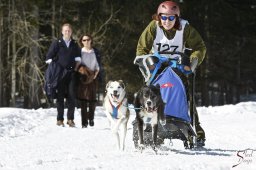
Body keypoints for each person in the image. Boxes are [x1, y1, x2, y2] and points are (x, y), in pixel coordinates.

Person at [136, 1, 206, 146]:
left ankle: (196, 129)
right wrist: (146, 64)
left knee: (187, 94)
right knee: (150, 94)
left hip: (177, 65)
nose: (167, 21)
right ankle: (146, 126)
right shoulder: (153, 27)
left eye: (171, 18)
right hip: (157, 66)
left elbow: (200, 47)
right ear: (159, 17)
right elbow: (141, 49)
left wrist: (193, 62)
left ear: (177, 17)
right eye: (164, 18)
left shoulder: (185, 28)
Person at [46, 23, 81, 127]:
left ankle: (70, 119)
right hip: (59, 75)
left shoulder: (75, 44)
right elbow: (48, 57)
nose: (67, 32)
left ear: (71, 32)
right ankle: (59, 119)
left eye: (69, 30)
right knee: (60, 97)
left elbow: (78, 58)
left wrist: (75, 68)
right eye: (65, 30)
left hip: (71, 74)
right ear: (62, 32)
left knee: (71, 97)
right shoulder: (57, 43)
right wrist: (54, 67)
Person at [76, 34, 101, 128]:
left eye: (88, 40)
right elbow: (77, 64)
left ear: (91, 40)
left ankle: (91, 118)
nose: (86, 42)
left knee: (92, 100)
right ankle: (84, 122)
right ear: (81, 41)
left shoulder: (96, 51)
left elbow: (98, 65)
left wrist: (96, 73)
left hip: (94, 77)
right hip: (83, 78)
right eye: (84, 40)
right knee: (83, 101)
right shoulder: (79, 52)